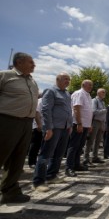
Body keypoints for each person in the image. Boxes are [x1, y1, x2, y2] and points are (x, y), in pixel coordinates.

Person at [0, 52, 39, 204]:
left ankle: (10, 191)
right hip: (7, 122)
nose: (34, 65)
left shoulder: (32, 81)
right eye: (31, 62)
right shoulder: (5, 76)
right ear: (19, 62)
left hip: (26, 123)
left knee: (18, 159)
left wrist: (38, 122)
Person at [32, 73, 72, 192]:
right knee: (46, 154)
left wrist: (69, 125)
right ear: (57, 79)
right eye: (65, 79)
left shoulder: (66, 93)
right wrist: (48, 128)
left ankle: (52, 175)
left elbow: (68, 110)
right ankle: (38, 181)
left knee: (59, 154)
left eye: (69, 80)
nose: (67, 81)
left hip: (65, 128)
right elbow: (46, 109)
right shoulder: (50, 91)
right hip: (53, 128)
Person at [65, 80, 93, 177]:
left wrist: (89, 124)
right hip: (78, 124)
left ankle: (76, 164)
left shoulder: (88, 95)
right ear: (83, 84)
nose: (91, 86)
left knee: (80, 146)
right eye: (89, 84)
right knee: (73, 146)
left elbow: (88, 111)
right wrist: (79, 123)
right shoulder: (79, 93)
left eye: (91, 85)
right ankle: (69, 167)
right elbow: (76, 108)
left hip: (85, 124)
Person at [84, 88, 107, 166]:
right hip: (95, 122)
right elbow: (94, 111)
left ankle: (95, 157)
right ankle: (86, 159)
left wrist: (104, 124)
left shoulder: (103, 102)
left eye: (104, 92)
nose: (104, 93)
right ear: (98, 93)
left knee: (98, 141)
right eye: (103, 92)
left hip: (101, 123)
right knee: (90, 141)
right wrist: (104, 110)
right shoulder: (95, 101)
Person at [28, 94, 43, 168]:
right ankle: (32, 162)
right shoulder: (40, 101)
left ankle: (38, 162)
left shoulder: (49, 102)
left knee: (41, 145)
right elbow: (36, 113)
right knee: (35, 145)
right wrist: (39, 124)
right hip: (37, 127)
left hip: (45, 127)